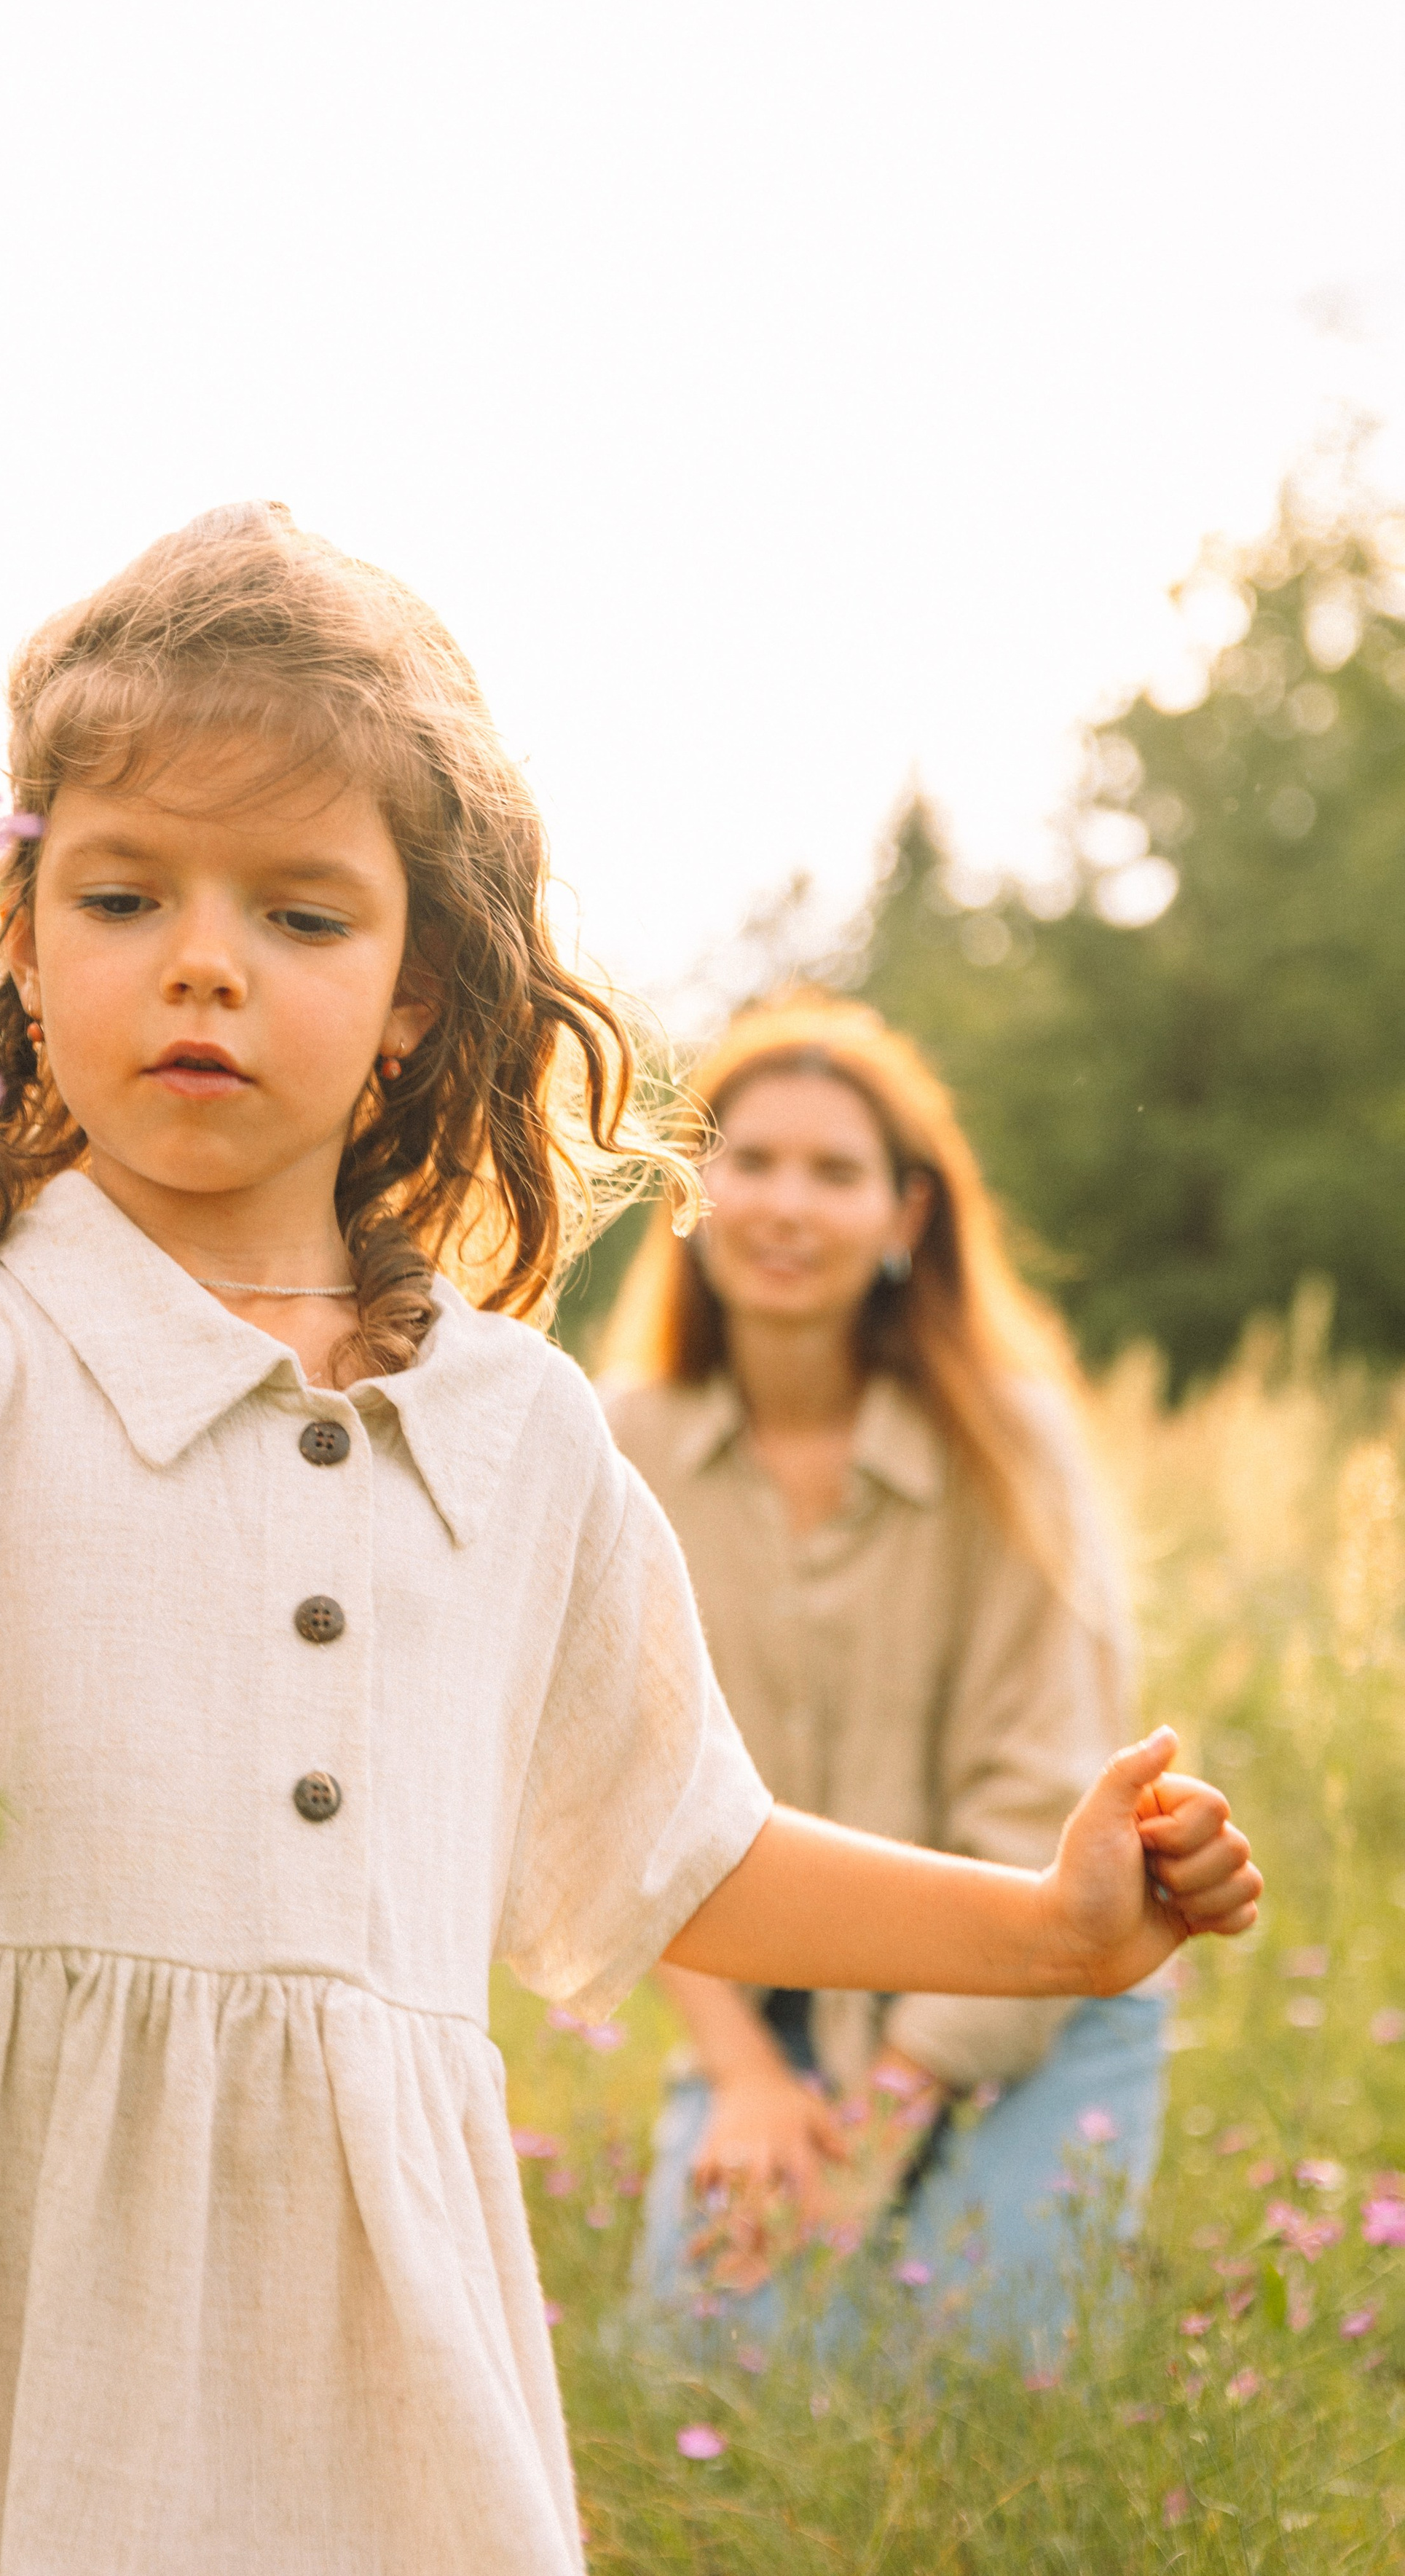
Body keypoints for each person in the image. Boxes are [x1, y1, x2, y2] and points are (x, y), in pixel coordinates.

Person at [0, 509, 1256, 2576]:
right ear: (15, 940)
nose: (203, 956)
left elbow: (677, 1851)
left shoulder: (521, 1430)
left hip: (356, 2350)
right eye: (122, 891)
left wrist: (1052, 1936)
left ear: (424, 995)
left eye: (300, 913)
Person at [603, 990, 1168, 2352]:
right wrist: (743, 2074)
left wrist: (888, 2113)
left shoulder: (1008, 1447)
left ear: (906, 1216)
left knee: (969, 2392)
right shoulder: (621, 1443)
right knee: (705, 2386)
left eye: (835, 1171)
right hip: (775, 2007)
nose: (787, 1204)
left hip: (1031, 2003)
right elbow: (619, 1799)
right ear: (692, 1191)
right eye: (751, 1159)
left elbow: (1041, 1799)